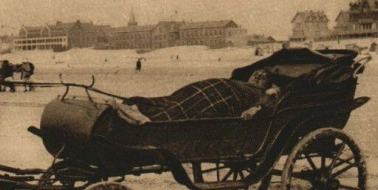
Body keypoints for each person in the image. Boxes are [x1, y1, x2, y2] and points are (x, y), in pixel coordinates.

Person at [115, 69, 280, 125]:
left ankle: (149, 115)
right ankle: (141, 105)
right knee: (177, 99)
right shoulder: (239, 82)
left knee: (186, 109)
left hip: (225, 96)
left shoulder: (263, 93)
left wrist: (255, 108)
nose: (258, 77)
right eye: (256, 74)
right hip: (216, 86)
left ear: (267, 84)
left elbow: (264, 104)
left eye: (262, 77)